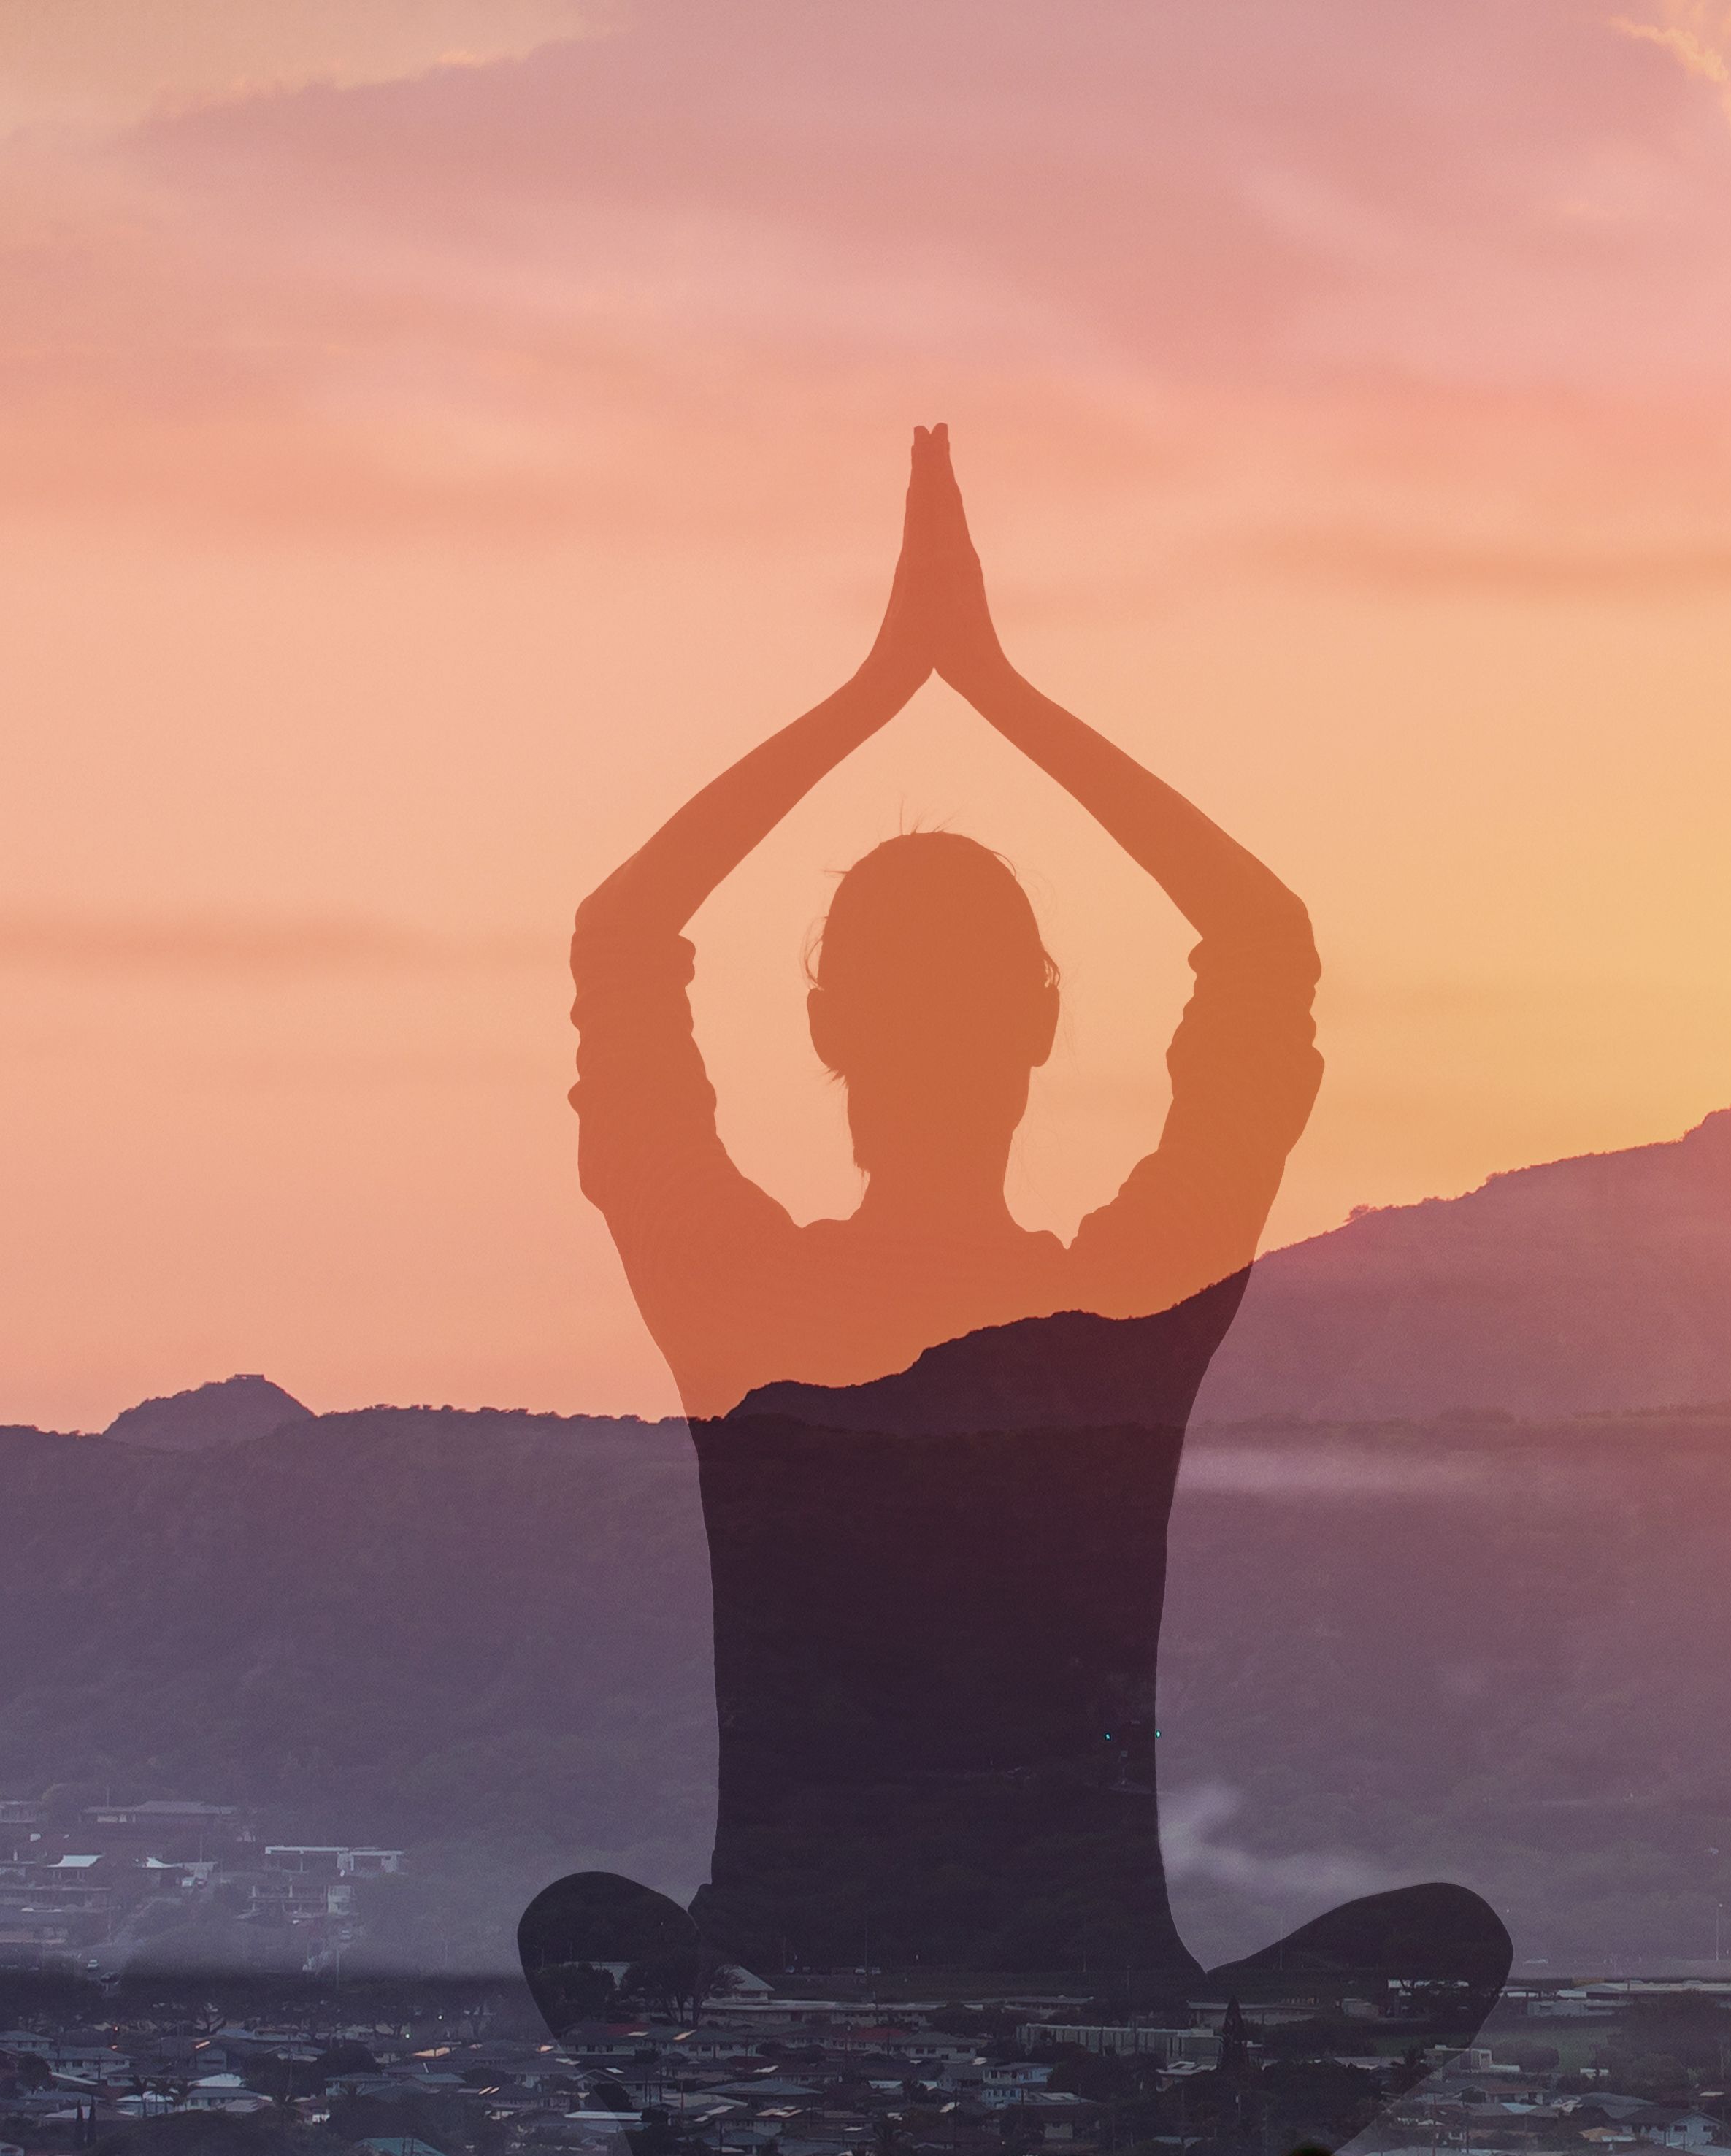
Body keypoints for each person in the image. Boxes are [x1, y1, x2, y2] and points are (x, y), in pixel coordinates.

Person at [522, 430, 1503, 2046]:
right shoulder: (1124, 1304)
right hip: (1082, 2000)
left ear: (822, 1026)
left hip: (817, 1990)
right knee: (1437, 1946)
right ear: (1043, 1024)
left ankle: (824, 2097)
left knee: (588, 1932)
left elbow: (626, 939)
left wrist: (889, 688)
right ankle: (1079, 2107)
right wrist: (980, 687)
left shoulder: (751, 1299)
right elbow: (1257, 945)